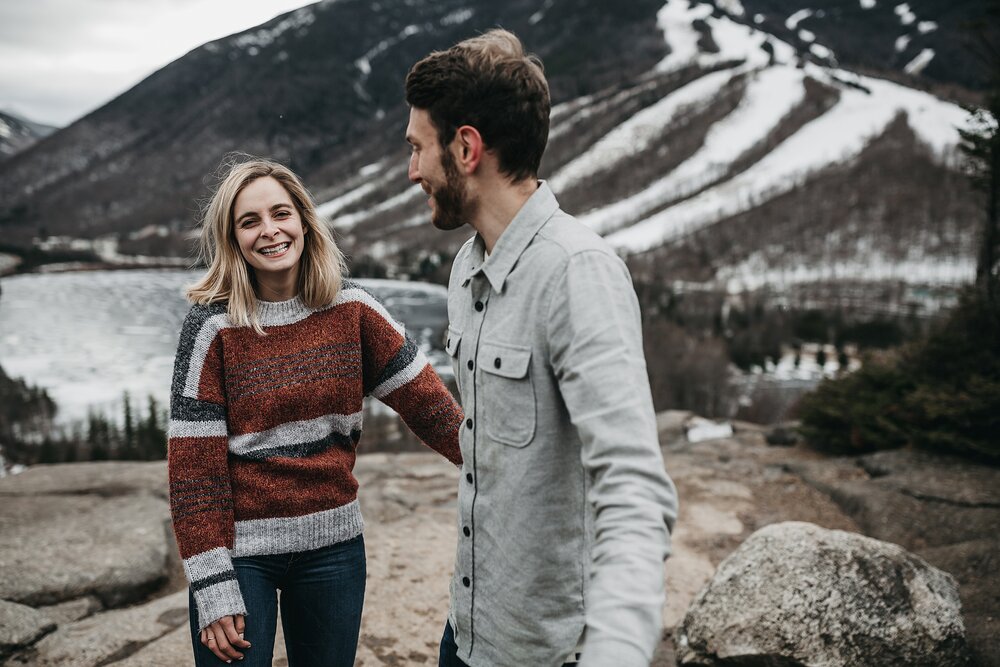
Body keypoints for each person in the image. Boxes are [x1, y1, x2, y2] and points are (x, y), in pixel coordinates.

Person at [404, 30, 680, 667]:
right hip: (469, 631)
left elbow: (636, 489)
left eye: (418, 148)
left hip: (548, 653)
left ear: (466, 147)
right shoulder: (466, 270)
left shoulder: (578, 272)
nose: (412, 170)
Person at [168, 156, 464, 666]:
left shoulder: (354, 311)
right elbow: (195, 473)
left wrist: (505, 466)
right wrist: (212, 583)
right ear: (231, 238)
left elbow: (432, 409)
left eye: (281, 213)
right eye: (249, 221)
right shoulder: (211, 329)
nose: (270, 231)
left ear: (304, 220)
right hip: (241, 556)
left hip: (333, 550)